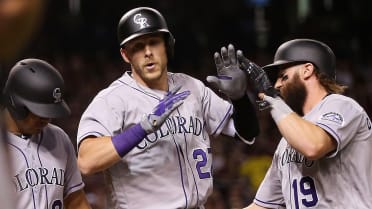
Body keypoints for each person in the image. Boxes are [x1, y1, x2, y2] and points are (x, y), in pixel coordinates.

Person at [76, 6, 259, 209]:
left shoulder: (192, 87)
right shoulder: (113, 100)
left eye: (154, 42)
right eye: (137, 46)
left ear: (167, 45)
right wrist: (141, 129)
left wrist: (240, 98)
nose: (147, 52)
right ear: (126, 55)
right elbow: (86, 161)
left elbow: (247, 133)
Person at [237, 39, 372, 208]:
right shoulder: (287, 140)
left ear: (307, 70)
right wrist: (238, 99)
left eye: (282, 76)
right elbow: (262, 206)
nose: (277, 84)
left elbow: (313, 146)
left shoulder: (342, 105)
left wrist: (276, 102)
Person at [2, 58, 91, 209]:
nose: (47, 119)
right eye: (40, 112)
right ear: (16, 104)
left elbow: (76, 201)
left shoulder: (58, 138)